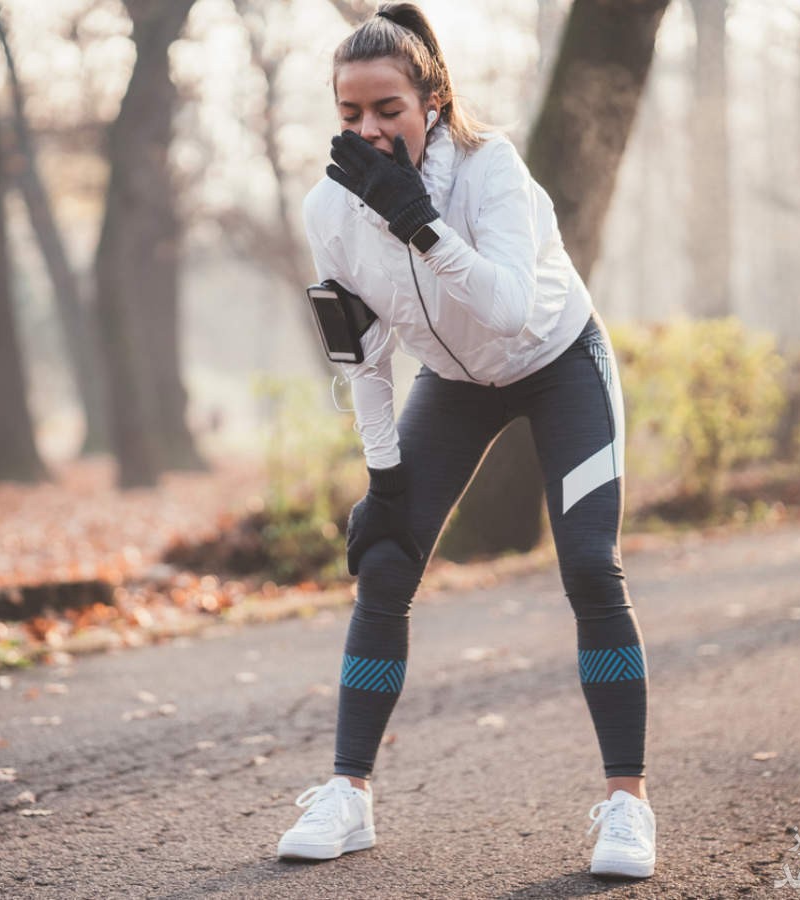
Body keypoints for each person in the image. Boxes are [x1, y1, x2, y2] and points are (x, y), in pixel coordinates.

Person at [276, 2, 654, 879]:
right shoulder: (328, 211)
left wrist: (422, 225)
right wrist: (384, 477)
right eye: (350, 115)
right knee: (384, 562)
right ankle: (349, 795)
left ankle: (628, 806)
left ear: (433, 100)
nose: (369, 131)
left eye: (388, 110)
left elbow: (513, 310)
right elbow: (362, 354)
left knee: (591, 565)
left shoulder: (493, 171)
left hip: (559, 361)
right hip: (453, 385)